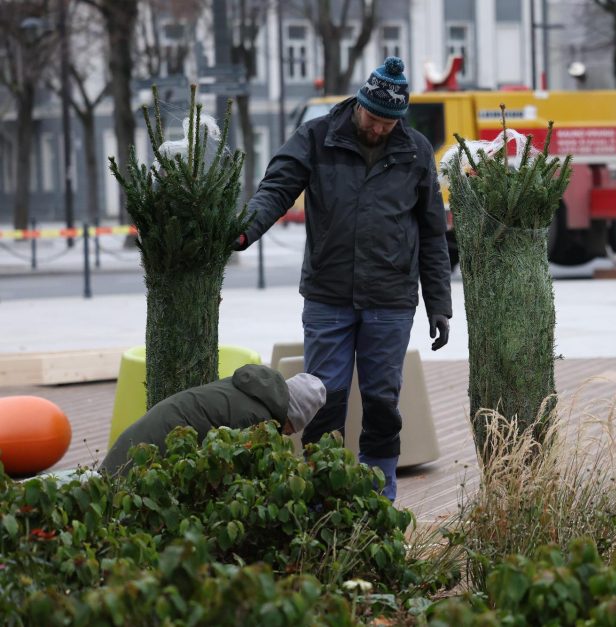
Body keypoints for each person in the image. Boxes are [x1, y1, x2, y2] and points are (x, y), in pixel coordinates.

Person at [232, 56, 453, 502]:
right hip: (328, 295)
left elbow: (432, 234)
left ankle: (378, 500)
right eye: (373, 119)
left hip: (390, 299)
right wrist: (244, 229)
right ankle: (323, 499)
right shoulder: (316, 137)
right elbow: (276, 188)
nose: (378, 130)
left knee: (382, 404)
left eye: (389, 124)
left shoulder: (414, 151)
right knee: (322, 399)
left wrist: (440, 306)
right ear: (360, 104)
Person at [100, 366, 326, 476]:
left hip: (140, 439)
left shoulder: (252, 389)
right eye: (289, 430)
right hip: (149, 454)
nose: (285, 435)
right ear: (291, 415)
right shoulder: (256, 419)